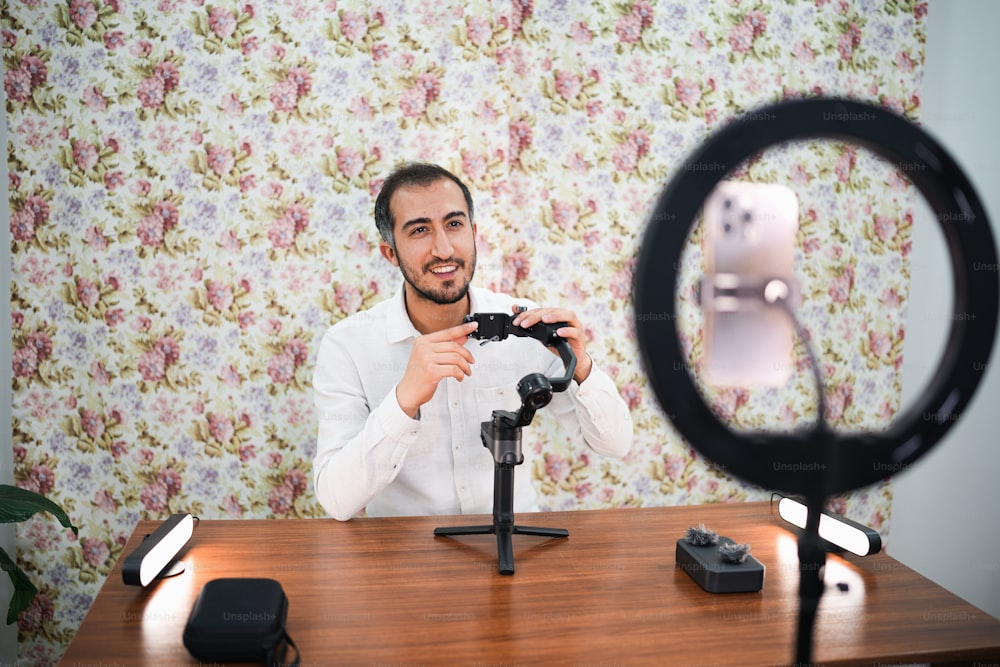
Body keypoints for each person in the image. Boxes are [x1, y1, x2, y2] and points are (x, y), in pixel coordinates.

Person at [312, 162, 633, 520]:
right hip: (405, 554)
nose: (444, 248)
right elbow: (337, 501)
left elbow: (615, 444)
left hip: (515, 542)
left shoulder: (528, 327)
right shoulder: (347, 346)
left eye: (454, 224)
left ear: (474, 231)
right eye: (420, 230)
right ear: (390, 252)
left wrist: (583, 369)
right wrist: (403, 401)